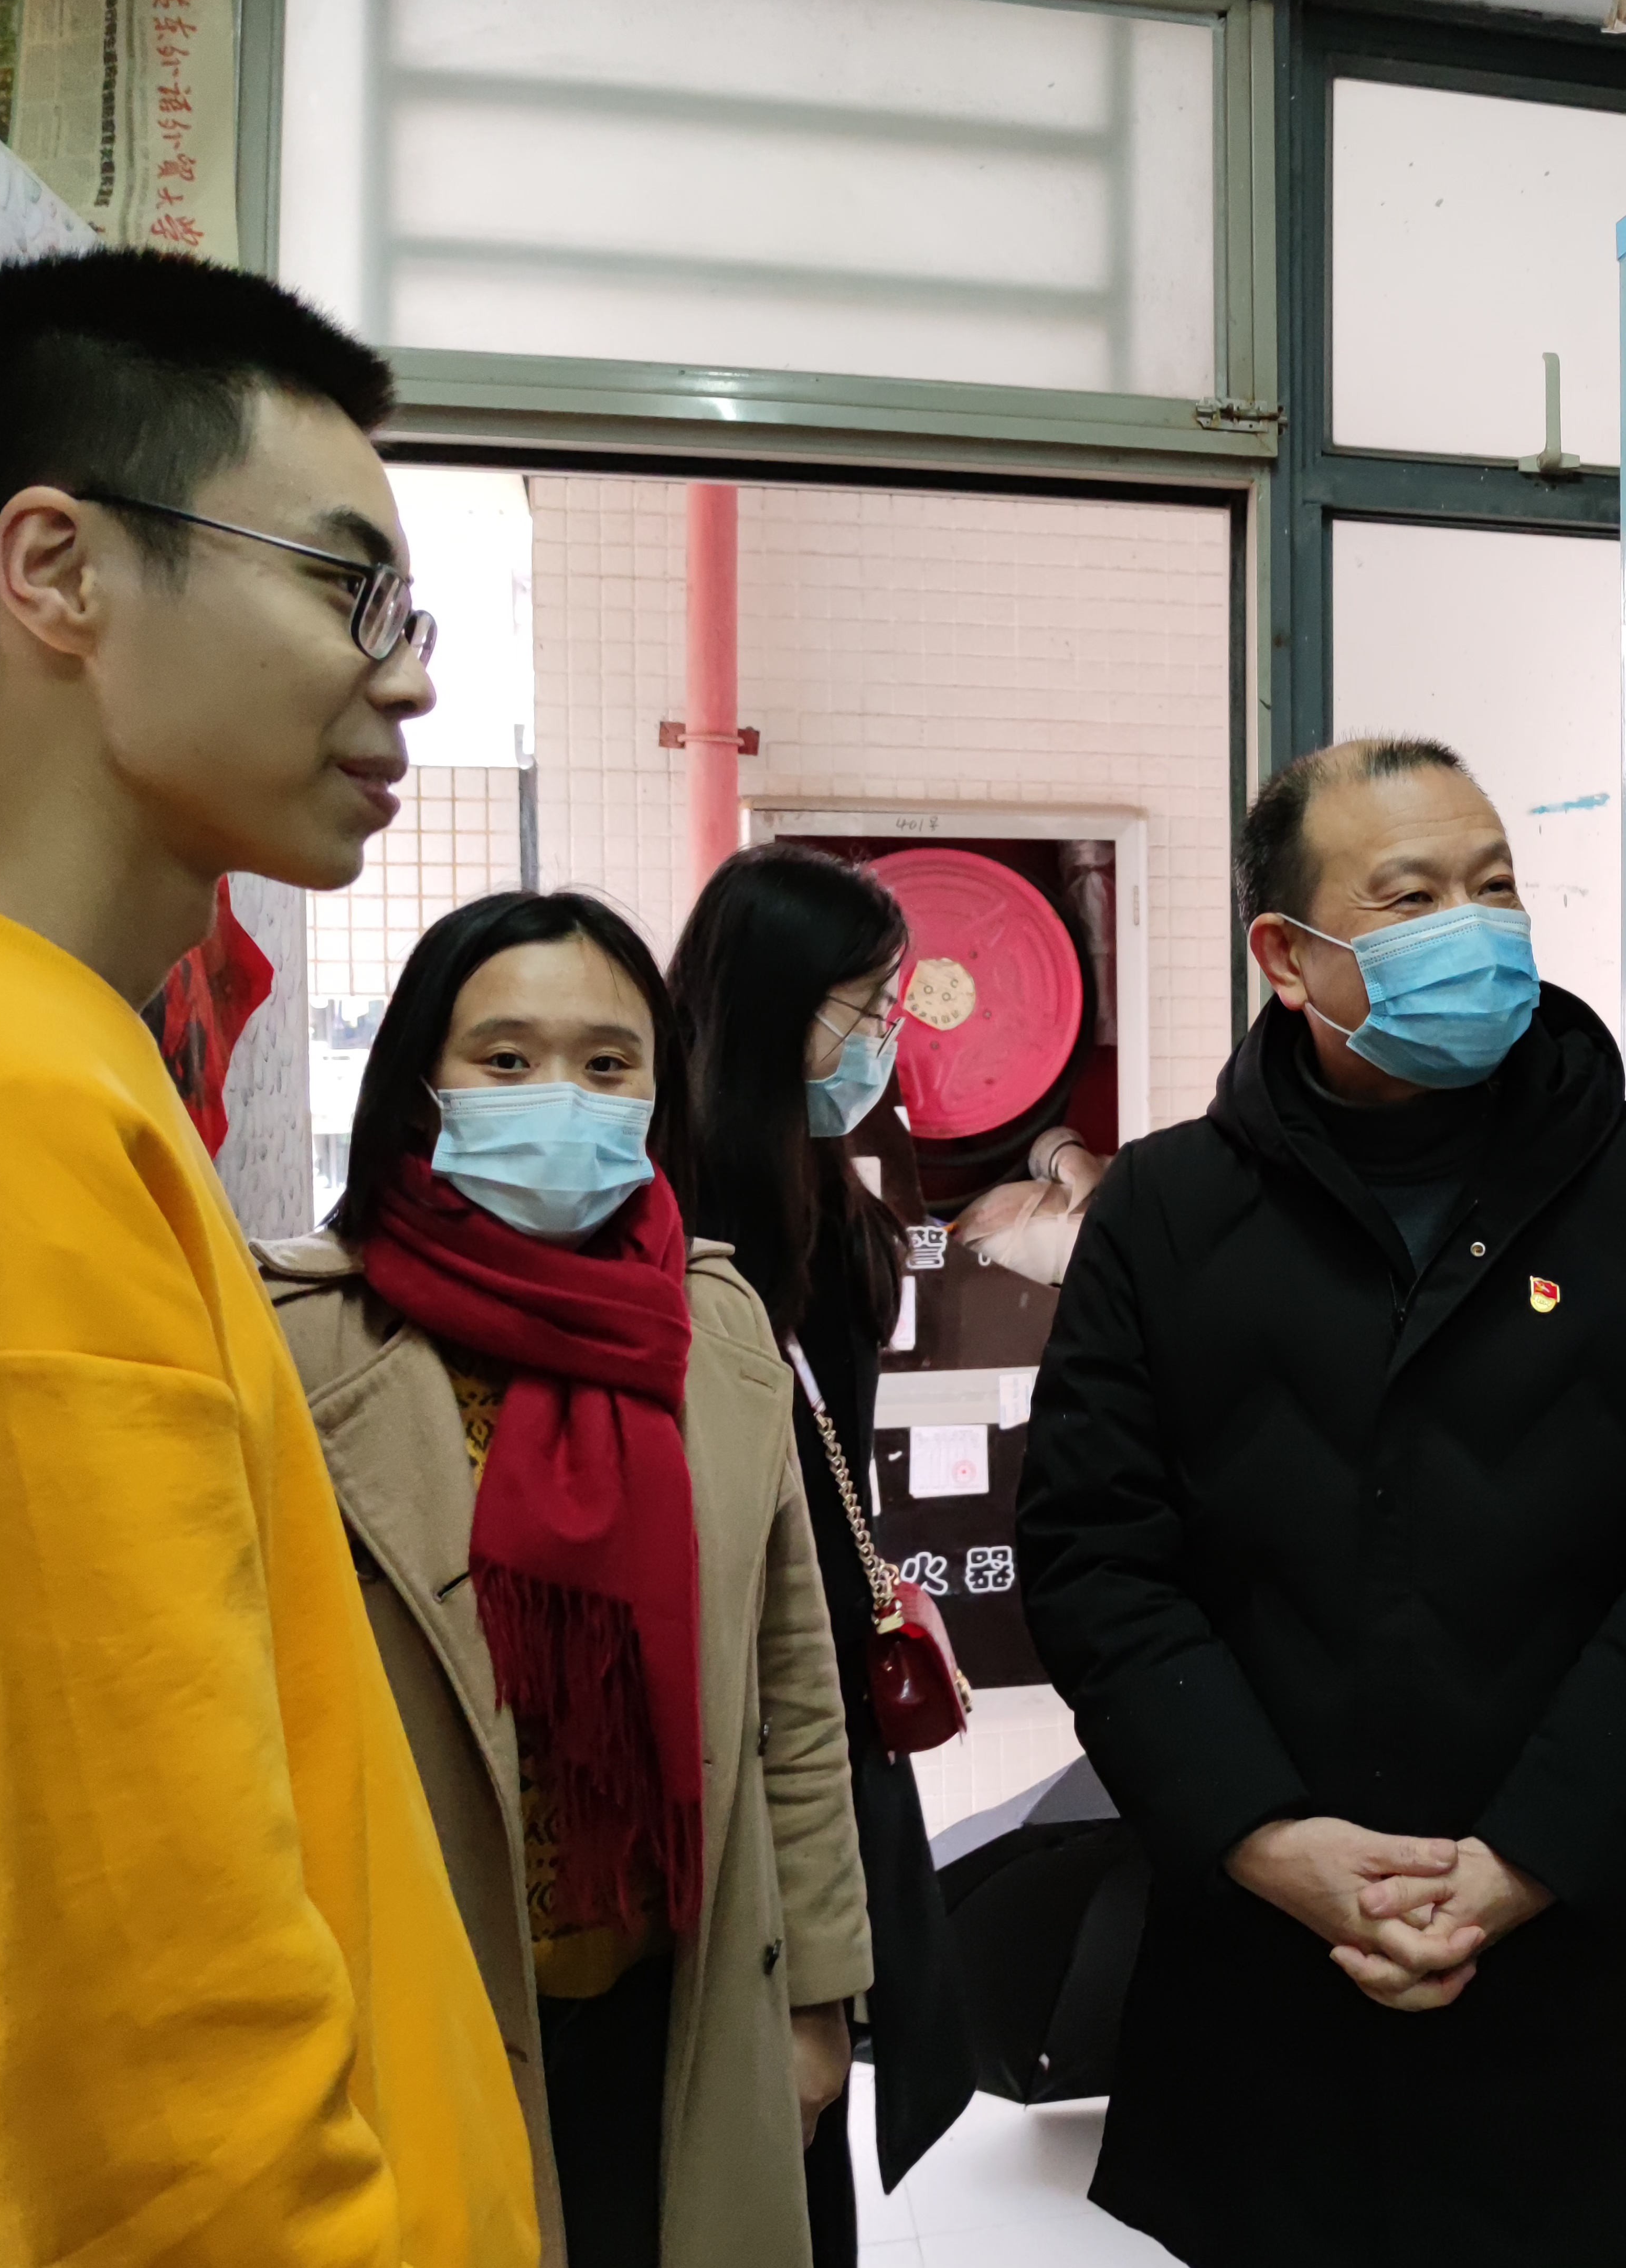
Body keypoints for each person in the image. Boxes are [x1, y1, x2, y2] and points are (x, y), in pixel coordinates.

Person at [0, 251, 537, 2264]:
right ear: (57, 572)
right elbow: (139, 2095)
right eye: (346, 585)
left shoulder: (28, 1047)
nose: (407, 679)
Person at [1015, 737, 1626, 2268]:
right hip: (1261, 1994)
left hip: (1575, 1974)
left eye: (1494, 886)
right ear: (1287, 958)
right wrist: (1268, 1839)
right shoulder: (1168, 1215)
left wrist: (1525, 1860)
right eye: (1413, 896)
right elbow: (1095, 1558)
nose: (1477, 926)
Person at [257, 889, 872, 2268]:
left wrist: (818, 1996)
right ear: (421, 1084)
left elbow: (793, 1689)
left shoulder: (712, 1326)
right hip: (420, 2015)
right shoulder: (299, 1341)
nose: (562, 1098)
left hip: (681, 2008)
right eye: (507, 1058)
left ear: (659, 1092)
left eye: (607, 1064)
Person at [667, 842, 978, 2255]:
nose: (883, 1039)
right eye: (862, 1006)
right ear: (768, 1007)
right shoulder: (666, 1229)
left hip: (831, 1713)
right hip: (733, 1721)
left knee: (814, 2116)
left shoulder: (829, 1198)